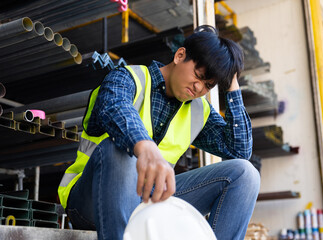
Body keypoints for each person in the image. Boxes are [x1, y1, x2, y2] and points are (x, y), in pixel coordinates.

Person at [58, 25, 260, 240]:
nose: (199, 88)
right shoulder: (128, 78)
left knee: (245, 174)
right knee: (121, 150)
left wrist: (233, 87)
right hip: (92, 199)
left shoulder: (199, 110)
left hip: (151, 202)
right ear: (180, 55)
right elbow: (114, 107)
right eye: (198, 76)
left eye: (208, 85)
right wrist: (144, 147)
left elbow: (239, 150)